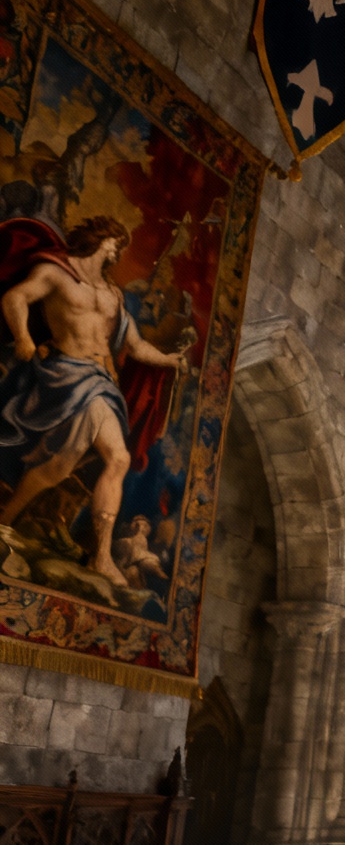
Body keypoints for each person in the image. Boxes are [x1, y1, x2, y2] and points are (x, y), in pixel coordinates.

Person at [0, 215, 185, 584]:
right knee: (116, 457)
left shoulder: (113, 294)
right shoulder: (56, 273)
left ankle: (8, 521)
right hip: (68, 374)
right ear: (102, 240)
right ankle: (99, 557)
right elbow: (15, 296)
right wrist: (22, 335)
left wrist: (169, 360)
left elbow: (134, 346)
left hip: (102, 382)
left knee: (59, 467)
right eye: (116, 243)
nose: (117, 252)